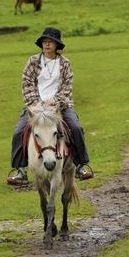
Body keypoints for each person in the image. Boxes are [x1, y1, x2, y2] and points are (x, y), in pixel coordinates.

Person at [6, 25, 94, 185]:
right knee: (19, 132)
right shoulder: (32, 62)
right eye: (44, 42)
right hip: (36, 107)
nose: (47, 44)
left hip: (60, 107)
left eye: (50, 42)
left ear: (56, 45)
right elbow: (26, 83)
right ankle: (19, 170)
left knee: (75, 127)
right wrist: (36, 104)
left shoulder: (65, 63)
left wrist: (55, 102)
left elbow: (67, 86)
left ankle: (81, 165)